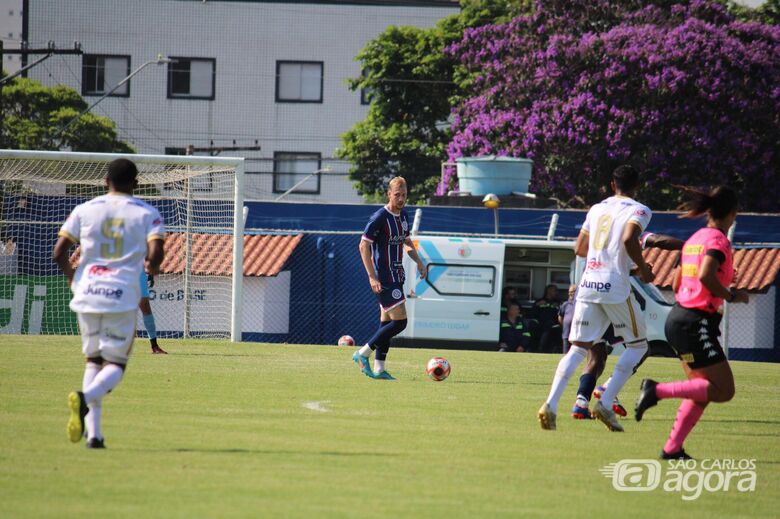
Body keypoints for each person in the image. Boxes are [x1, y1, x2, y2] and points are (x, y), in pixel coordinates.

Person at [53, 158, 165, 449]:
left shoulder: (84, 209)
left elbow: (59, 252)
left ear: (105, 180)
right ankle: (84, 399)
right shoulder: (147, 213)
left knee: (93, 361)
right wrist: (152, 266)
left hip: (87, 292)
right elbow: (156, 252)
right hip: (121, 296)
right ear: (136, 183)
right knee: (115, 364)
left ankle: (95, 435)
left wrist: (72, 279)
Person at [538, 165, 654, 432]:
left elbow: (579, 248)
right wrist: (644, 268)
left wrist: (617, 261)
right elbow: (628, 239)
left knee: (578, 348)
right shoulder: (639, 209)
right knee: (639, 347)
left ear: (612, 185)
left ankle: (551, 404)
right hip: (614, 286)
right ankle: (605, 400)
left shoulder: (596, 209)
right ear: (637, 186)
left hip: (588, 284)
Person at [635, 185, 746, 459]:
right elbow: (707, 275)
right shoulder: (718, 241)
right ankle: (655, 390)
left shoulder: (695, 239)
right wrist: (730, 294)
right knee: (724, 390)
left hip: (679, 318)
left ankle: (672, 448)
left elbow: (676, 282)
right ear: (732, 213)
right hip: (696, 321)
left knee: (702, 390)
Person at [570, 232, 686, 420]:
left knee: (596, 356)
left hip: (590, 296)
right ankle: (608, 387)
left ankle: (581, 403)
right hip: (613, 299)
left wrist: (634, 270)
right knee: (641, 347)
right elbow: (657, 240)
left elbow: (605, 265)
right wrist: (688, 244)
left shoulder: (601, 234)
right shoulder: (629, 231)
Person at [353, 176, 427, 379]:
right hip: (384, 278)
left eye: (404, 195)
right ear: (389, 194)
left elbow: (405, 240)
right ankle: (362, 354)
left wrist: (419, 262)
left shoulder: (403, 216)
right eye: (397, 195)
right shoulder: (379, 217)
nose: (401, 199)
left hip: (397, 276)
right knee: (401, 322)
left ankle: (379, 368)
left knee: (386, 323)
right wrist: (372, 277)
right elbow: (363, 246)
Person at [139, 271, 167, 354]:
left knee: (146, 309)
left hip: (139, 275)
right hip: (122, 275)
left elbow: (147, 259)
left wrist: (150, 273)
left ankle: (154, 346)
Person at [533, 284, 561, 353]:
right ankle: (540, 348)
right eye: (555, 291)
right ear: (549, 291)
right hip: (540, 324)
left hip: (554, 324)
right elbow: (532, 313)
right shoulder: (540, 301)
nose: (556, 292)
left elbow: (561, 313)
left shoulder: (557, 302)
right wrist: (537, 305)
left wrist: (557, 307)